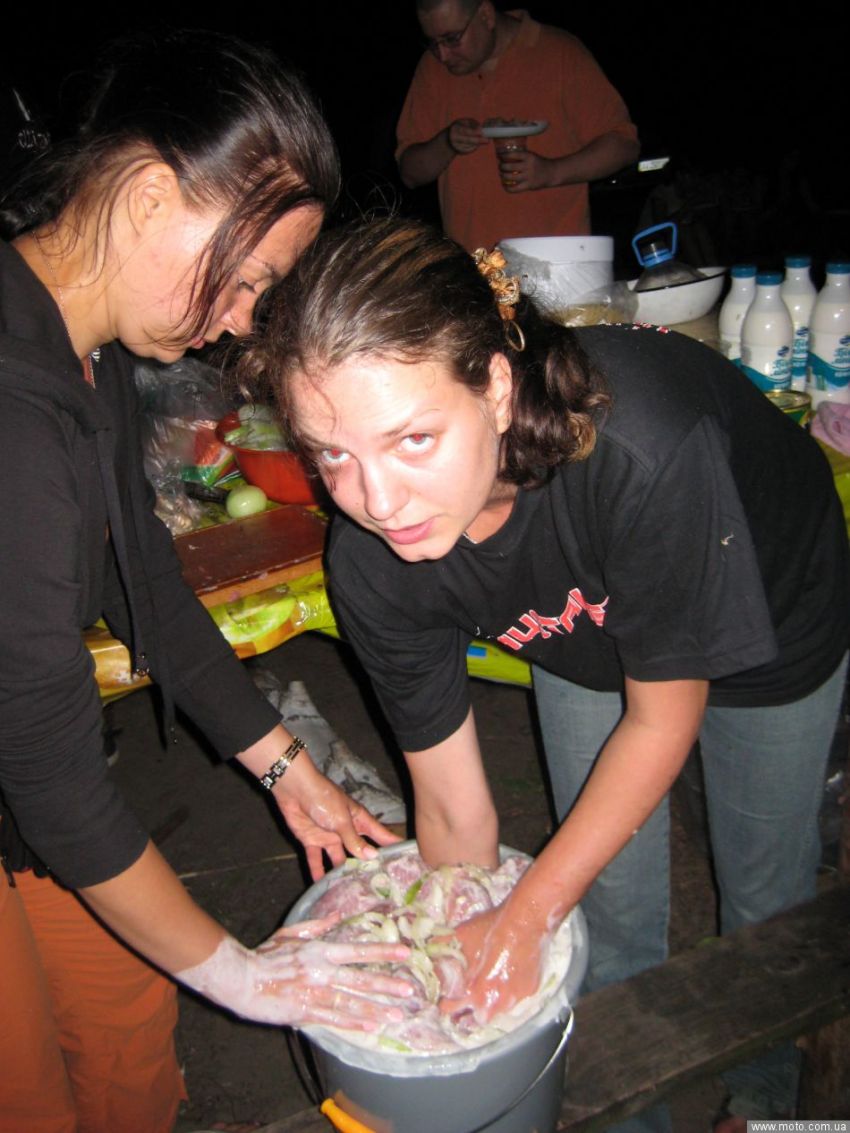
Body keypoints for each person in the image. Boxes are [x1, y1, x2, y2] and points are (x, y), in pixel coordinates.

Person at [242, 216, 850, 1133]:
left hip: (773, 597)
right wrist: (441, 960)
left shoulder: (641, 447)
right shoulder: (369, 561)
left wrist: (521, 919)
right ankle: (629, 1110)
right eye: (334, 453)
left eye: (413, 439)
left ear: (494, 386)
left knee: (764, 891)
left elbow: (662, 719)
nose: (377, 502)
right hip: (583, 620)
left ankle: (764, 1101)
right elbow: (454, 815)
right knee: (599, 890)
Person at [0, 34, 414, 1133]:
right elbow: (49, 773)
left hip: (21, 789)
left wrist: (285, 766)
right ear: (148, 197)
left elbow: (143, 578)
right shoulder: (15, 416)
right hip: (24, 776)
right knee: (25, 1085)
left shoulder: (85, 350)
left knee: (125, 1020)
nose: (238, 319)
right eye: (248, 278)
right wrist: (247, 976)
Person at [396, 0, 640, 251]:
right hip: (473, 266)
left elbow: (624, 144)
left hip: (557, 260)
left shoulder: (558, 52)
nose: (443, 55)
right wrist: (447, 142)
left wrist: (550, 172)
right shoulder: (432, 68)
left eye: (452, 39)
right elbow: (410, 174)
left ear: (486, 15)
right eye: (432, 42)